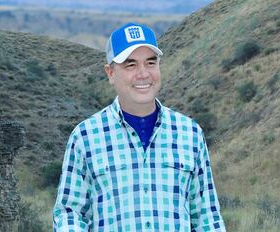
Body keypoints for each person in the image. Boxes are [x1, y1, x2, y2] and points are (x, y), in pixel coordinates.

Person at [53, 22, 226, 231]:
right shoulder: (84, 137)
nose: (143, 74)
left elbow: (207, 218)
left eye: (150, 63)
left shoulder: (190, 134)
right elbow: (69, 214)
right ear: (110, 73)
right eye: (130, 65)